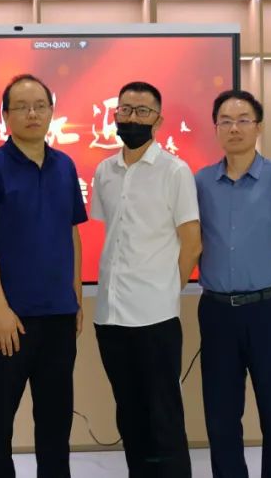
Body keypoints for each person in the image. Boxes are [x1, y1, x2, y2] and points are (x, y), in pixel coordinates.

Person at [0, 74, 88, 478]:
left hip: (59, 316)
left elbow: (72, 233)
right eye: (21, 106)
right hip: (10, 320)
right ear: (5, 116)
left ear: (51, 112)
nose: (32, 113)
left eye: (40, 105)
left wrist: (76, 297)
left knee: (56, 419)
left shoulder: (65, 165)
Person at [194, 89, 271, 478]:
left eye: (243, 120)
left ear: (258, 127)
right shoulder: (201, 181)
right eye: (225, 121)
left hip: (267, 311)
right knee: (221, 415)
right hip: (216, 311)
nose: (234, 128)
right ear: (215, 128)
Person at [90, 81, 201, 477]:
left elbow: (191, 243)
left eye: (142, 111)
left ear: (158, 119)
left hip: (155, 316)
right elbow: (110, 234)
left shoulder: (174, 171)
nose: (132, 118)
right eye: (125, 110)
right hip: (109, 315)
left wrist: (167, 290)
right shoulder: (104, 170)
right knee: (129, 412)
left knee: (163, 415)